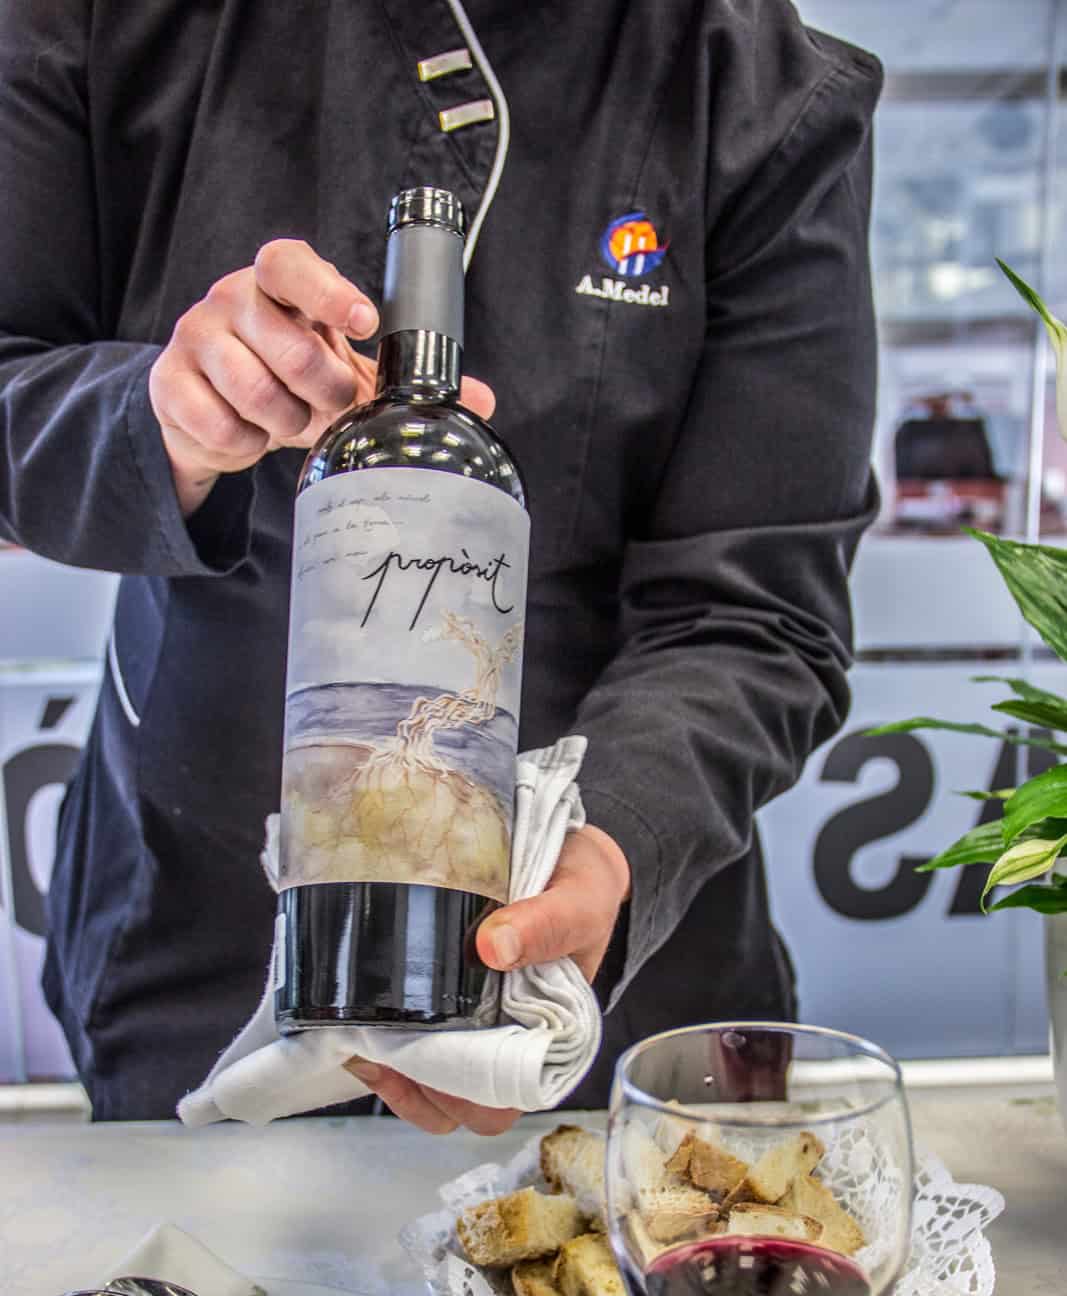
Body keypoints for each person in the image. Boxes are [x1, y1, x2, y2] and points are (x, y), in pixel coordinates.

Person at [0, 0, 882, 1126]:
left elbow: (757, 614)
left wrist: (602, 847)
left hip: (610, 959)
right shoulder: (104, 24)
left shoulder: (758, 93)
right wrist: (155, 414)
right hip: (200, 918)